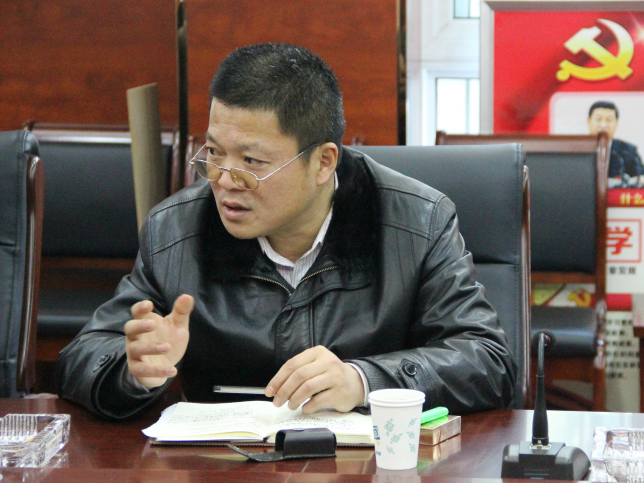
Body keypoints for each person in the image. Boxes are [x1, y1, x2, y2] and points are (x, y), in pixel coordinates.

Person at [56, 43, 517, 419]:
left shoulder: (416, 222)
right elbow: (83, 356)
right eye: (213, 153)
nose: (224, 180)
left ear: (323, 162)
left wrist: (364, 381)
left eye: (252, 161)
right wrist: (133, 372)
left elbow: (487, 361)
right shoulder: (176, 230)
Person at [587, 100, 644, 188]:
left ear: (616, 123)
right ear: (589, 121)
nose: (603, 125)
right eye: (598, 119)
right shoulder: (577, 150)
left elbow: (641, 178)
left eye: (609, 120)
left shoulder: (628, 151)